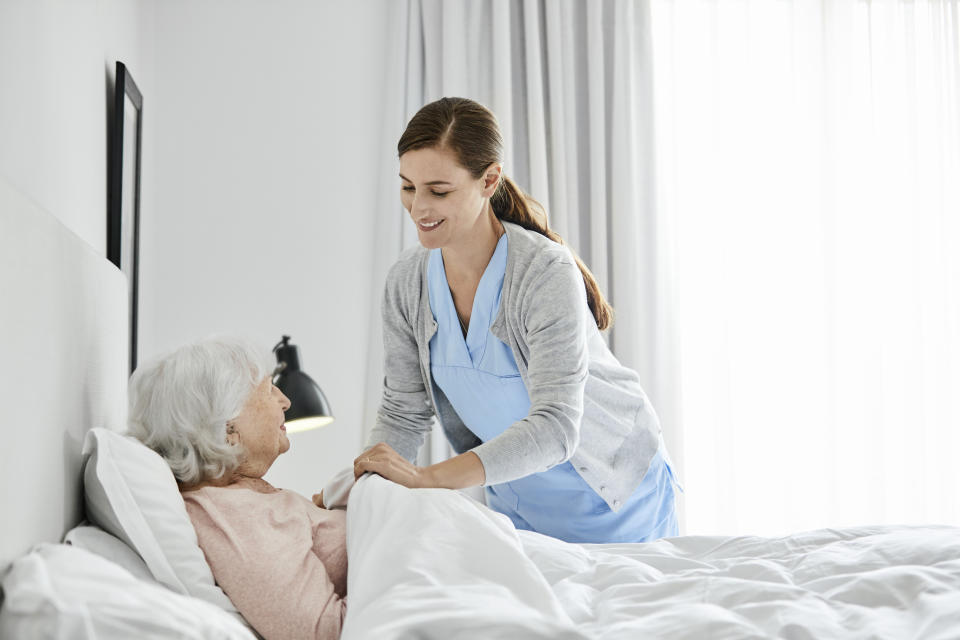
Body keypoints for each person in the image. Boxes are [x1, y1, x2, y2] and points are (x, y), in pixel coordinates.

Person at [322, 96, 680, 544]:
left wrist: (425, 479)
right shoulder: (406, 284)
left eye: (439, 190)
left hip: (615, 495)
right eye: (407, 187)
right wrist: (366, 491)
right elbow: (403, 414)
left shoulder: (543, 273)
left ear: (489, 180)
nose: (418, 209)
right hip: (519, 502)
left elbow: (554, 428)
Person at [128, 337, 346, 640]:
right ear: (227, 426)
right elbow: (326, 631)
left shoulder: (242, 496)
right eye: (269, 389)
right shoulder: (234, 518)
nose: (285, 401)